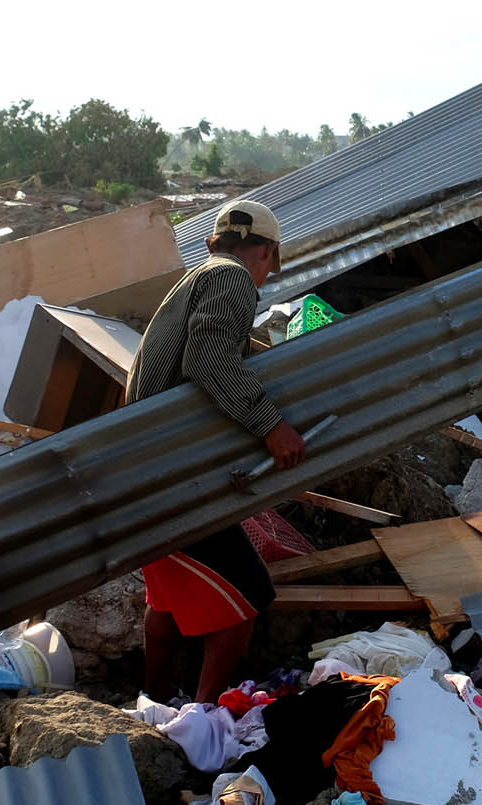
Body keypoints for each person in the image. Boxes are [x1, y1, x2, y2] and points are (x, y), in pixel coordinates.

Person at [128, 199, 305, 703]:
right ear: (266, 252)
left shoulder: (197, 278)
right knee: (249, 594)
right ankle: (203, 715)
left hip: (145, 474)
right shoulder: (232, 278)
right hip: (175, 478)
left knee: (167, 600)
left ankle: (154, 706)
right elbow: (208, 358)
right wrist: (271, 425)